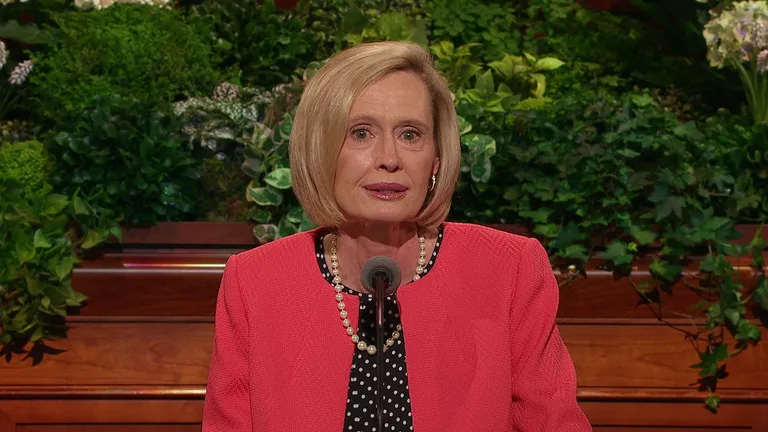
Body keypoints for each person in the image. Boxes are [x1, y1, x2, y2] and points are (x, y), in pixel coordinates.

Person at [201, 40, 592, 432]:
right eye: (361, 133)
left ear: (435, 159)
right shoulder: (255, 281)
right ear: (321, 150)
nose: (389, 158)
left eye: (410, 134)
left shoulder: (508, 269)